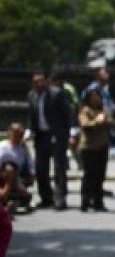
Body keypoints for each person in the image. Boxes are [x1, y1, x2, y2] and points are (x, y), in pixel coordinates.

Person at [26, 71, 73, 210]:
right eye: (35, 82)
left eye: (41, 81)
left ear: (46, 81)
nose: (38, 84)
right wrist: (30, 130)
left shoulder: (56, 94)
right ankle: (46, 197)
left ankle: (60, 199)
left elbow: (68, 114)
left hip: (57, 135)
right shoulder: (31, 95)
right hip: (41, 136)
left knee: (59, 168)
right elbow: (31, 116)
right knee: (41, 168)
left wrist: (70, 134)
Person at [77, 87, 112, 212]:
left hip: (102, 145)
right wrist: (97, 121)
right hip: (89, 147)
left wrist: (106, 121)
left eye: (97, 97)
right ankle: (85, 201)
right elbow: (85, 124)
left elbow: (110, 122)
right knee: (89, 175)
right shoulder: (85, 110)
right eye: (93, 97)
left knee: (100, 175)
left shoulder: (103, 110)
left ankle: (98, 202)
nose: (96, 99)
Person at [0, 123, 35, 213]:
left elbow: (30, 161)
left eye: (21, 134)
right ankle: (11, 199)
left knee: (14, 175)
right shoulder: (3, 146)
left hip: (19, 176)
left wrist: (32, 173)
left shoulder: (23, 147)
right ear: (10, 133)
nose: (19, 136)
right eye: (16, 133)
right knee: (9, 169)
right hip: (4, 175)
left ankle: (11, 202)